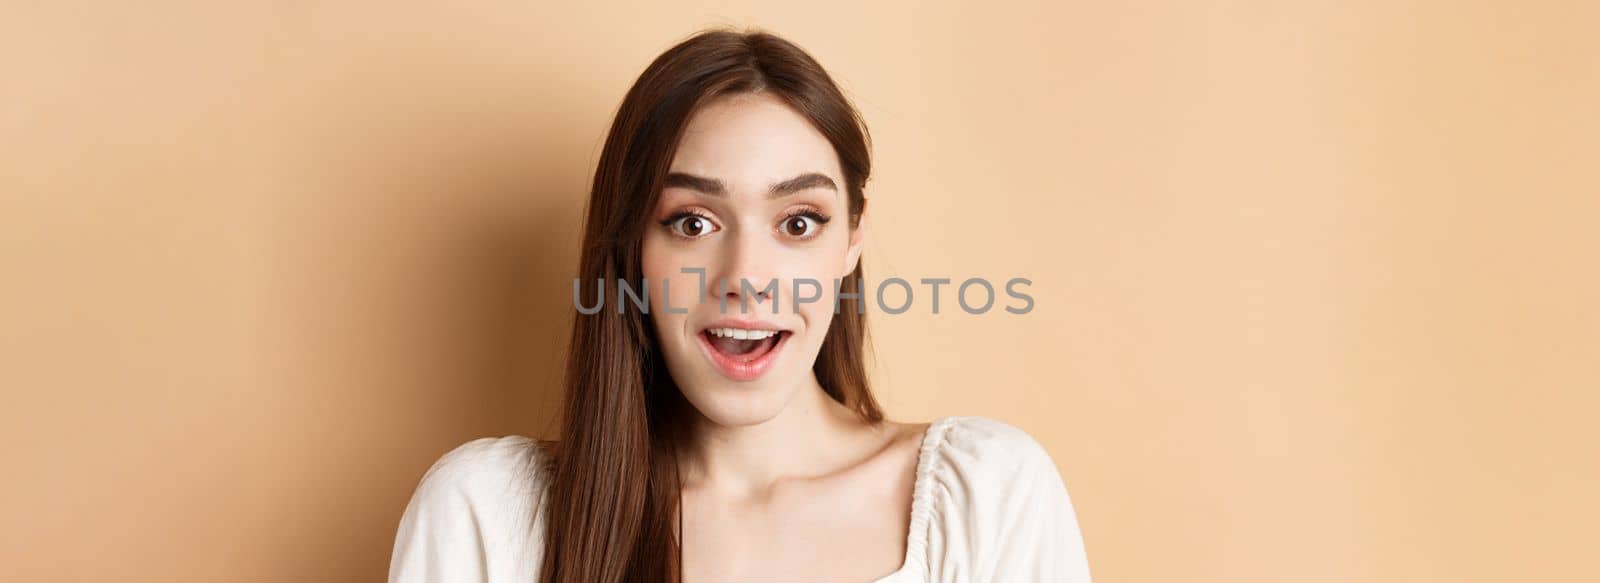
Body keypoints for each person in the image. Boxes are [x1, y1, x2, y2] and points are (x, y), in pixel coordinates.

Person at [387, 27, 1092, 583]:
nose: (746, 279)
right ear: (632, 244)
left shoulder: (991, 495)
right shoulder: (487, 515)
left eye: (798, 222)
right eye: (693, 222)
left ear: (853, 237)